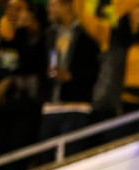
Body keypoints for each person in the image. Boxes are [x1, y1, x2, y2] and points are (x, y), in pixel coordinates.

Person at [40, 0, 100, 140]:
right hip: (51, 106)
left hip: (77, 107)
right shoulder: (50, 34)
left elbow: (95, 69)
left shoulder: (88, 33)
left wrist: (71, 76)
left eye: (53, 4)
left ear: (67, 5)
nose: (48, 8)